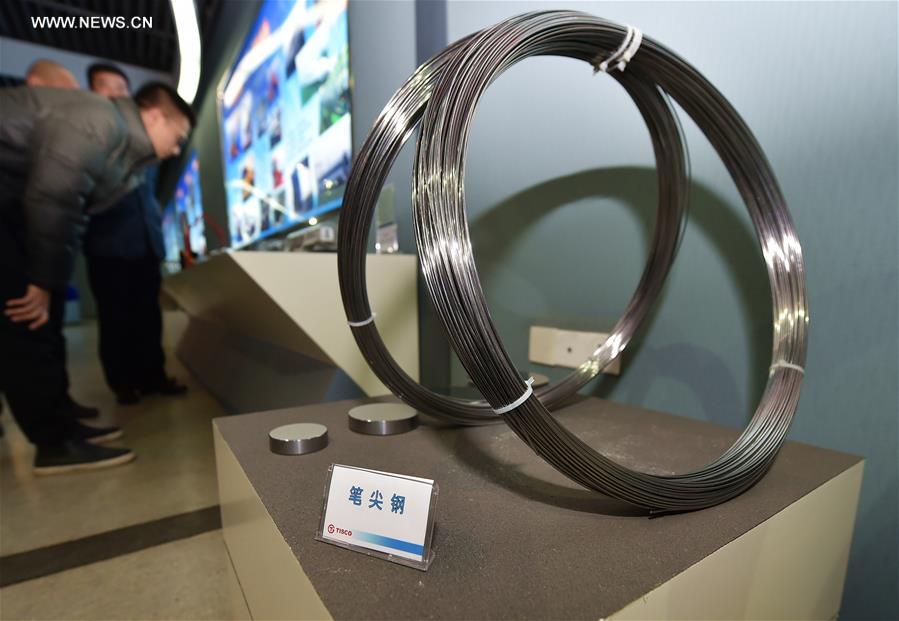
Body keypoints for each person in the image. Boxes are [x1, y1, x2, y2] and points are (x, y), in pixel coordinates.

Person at [0, 81, 194, 474]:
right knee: (26, 321)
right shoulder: (100, 121)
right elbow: (54, 197)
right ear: (155, 116)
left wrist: (49, 281)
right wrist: (42, 281)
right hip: (10, 217)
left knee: (43, 322)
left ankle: (62, 424)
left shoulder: (121, 151)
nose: (176, 150)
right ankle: (54, 443)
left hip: (15, 213)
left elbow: (71, 211)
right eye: (177, 138)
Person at [84, 64, 188, 405]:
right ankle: (123, 383)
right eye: (109, 87)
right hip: (108, 245)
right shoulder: (94, 135)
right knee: (115, 318)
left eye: (123, 88)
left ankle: (153, 376)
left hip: (146, 242)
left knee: (148, 315)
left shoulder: (147, 144)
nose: (118, 94)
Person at [22, 60, 103, 421]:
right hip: (26, 255)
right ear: (35, 84)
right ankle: (53, 435)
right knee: (32, 335)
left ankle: (61, 411)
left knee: (51, 333)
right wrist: (41, 278)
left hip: (40, 252)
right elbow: (48, 200)